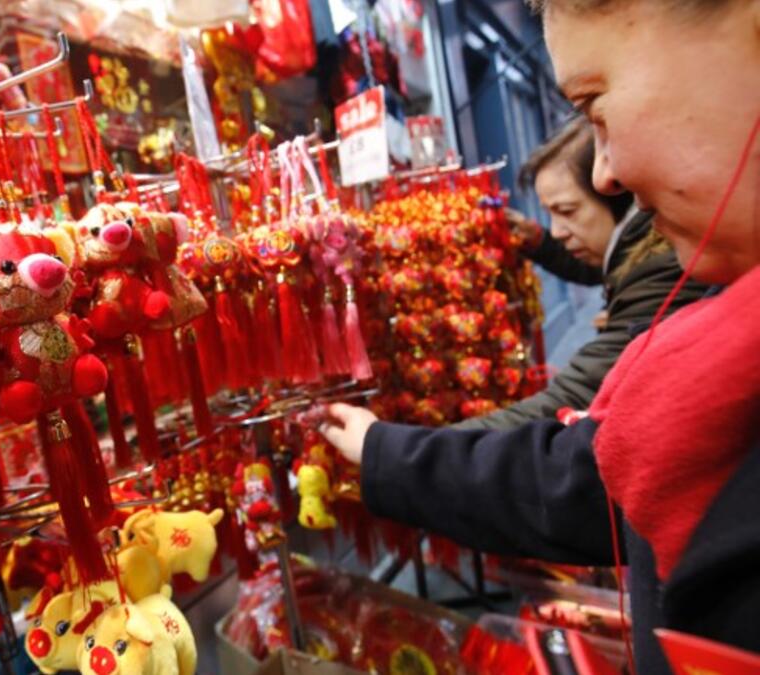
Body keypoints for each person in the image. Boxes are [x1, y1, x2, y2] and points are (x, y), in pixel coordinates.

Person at [320, 2, 760, 673]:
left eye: (595, 107)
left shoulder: (694, 333)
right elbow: (589, 467)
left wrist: (390, 451)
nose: (607, 172)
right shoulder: (715, 344)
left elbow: (577, 470)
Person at [456, 118, 707, 430]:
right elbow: (592, 268)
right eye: (550, 214)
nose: (557, 231)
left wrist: (411, 449)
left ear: (615, 190)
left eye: (567, 211)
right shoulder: (634, 248)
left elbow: (577, 395)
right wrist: (538, 242)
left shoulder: (664, 268)